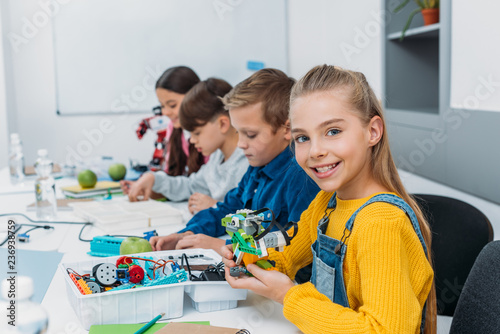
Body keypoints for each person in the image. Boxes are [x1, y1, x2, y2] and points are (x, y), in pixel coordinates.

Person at [222, 65, 437, 334]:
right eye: (303, 137)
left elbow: (384, 330)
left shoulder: (381, 223)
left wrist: (289, 296)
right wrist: (251, 257)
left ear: (373, 131)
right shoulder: (327, 202)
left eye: (333, 131)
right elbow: (287, 256)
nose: (315, 151)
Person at [149, 68, 320, 253]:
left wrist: (225, 247)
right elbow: (226, 211)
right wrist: (186, 234)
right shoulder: (257, 168)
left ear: (287, 130)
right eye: (238, 132)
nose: (240, 144)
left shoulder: (302, 177)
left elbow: (293, 243)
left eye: (251, 135)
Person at [124, 78, 248, 213]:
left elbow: (258, 218)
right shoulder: (217, 157)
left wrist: (216, 207)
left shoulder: (248, 162)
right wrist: (154, 179)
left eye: (197, 133)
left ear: (222, 124)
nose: (192, 141)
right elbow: (191, 186)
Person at [121, 66, 206, 201]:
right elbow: (178, 184)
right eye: (162, 106)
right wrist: (149, 188)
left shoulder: (211, 136)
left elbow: (206, 188)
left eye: (172, 105)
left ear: (195, 97)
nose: (165, 112)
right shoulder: (173, 128)